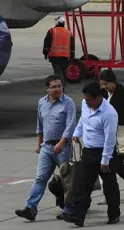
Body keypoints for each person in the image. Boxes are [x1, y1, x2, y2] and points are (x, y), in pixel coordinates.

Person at [14, 76, 76, 222]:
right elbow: (40, 125)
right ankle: (31, 208)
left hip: (63, 147)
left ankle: (69, 208)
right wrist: (39, 144)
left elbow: (70, 126)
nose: (58, 89)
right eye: (54, 87)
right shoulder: (42, 102)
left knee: (66, 180)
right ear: (47, 89)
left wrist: (61, 144)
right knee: (40, 178)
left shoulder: (68, 103)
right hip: (46, 147)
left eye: (59, 86)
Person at [61, 82, 121, 226]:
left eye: (89, 100)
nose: (87, 103)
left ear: (99, 97)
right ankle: (78, 216)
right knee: (83, 184)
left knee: (109, 185)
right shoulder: (86, 104)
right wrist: (77, 133)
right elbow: (83, 119)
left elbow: (110, 138)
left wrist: (105, 160)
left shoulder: (109, 114)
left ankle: (114, 214)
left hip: (105, 152)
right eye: (85, 99)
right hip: (88, 150)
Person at [98, 70, 124, 201]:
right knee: (103, 164)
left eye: (106, 84)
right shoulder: (102, 94)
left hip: (119, 132)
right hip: (103, 133)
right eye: (102, 84)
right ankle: (107, 194)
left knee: (116, 163)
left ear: (113, 82)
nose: (104, 87)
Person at [42, 16, 74, 84]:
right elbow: (72, 46)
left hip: (55, 56)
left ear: (57, 22)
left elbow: (47, 43)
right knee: (64, 73)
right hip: (65, 57)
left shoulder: (52, 31)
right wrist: (72, 56)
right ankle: (63, 87)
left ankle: (59, 87)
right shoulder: (68, 32)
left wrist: (45, 53)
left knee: (58, 73)